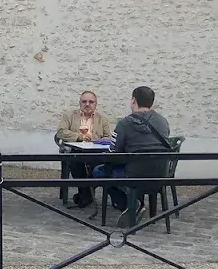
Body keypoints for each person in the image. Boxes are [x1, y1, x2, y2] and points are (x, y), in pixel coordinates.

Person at [94, 86, 171, 225]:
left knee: (99, 171)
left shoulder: (125, 123)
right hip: (160, 174)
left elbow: (114, 154)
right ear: (151, 102)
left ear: (133, 100)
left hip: (134, 175)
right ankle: (135, 204)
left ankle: (131, 205)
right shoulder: (163, 121)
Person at [57, 91, 112, 208]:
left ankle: (85, 193)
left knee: (97, 163)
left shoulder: (103, 119)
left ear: (96, 104)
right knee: (74, 160)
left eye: (91, 102)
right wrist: (79, 137)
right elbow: (61, 132)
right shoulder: (69, 116)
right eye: (84, 101)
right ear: (80, 103)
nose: (87, 104)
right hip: (75, 150)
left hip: (95, 152)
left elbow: (108, 138)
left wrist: (95, 141)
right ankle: (87, 192)